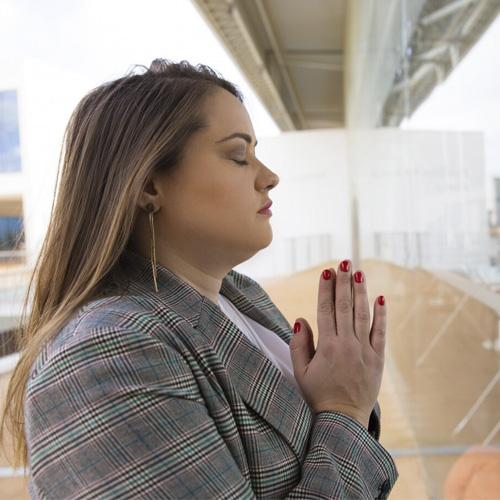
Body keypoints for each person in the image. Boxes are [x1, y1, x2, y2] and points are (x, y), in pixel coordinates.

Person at [1, 59, 398, 499]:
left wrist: (345, 395)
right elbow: (340, 420)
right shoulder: (102, 355)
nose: (269, 177)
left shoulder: (241, 299)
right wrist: (346, 409)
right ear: (149, 185)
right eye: (238, 155)